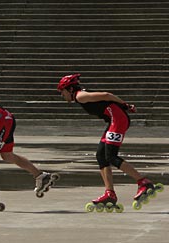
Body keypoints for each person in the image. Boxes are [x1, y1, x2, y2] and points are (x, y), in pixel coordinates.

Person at [57, 73, 161, 210]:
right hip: (114, 120)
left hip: (118, 121)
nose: (62, 95)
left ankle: (144, 183)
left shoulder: (80, 96)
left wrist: (125, 105)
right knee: (101, 155)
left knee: (111, 156)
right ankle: (109, 193)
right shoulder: (79, 96)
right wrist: (126, 107)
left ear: (70, 89)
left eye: (62, 91)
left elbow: (106, 95)